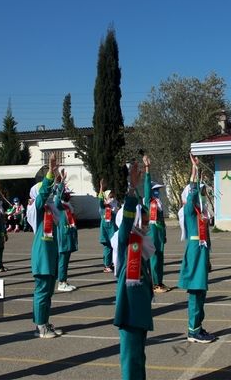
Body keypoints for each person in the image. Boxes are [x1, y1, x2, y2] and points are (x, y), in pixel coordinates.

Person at [113, 160, 155, 380]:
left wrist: (145, 180)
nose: (147, 224)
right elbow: (128, 219)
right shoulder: (125, 243)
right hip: (129, 312)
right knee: (130, 360)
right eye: (144, 221)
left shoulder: (143, 247)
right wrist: (132, 189)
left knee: (139, 357)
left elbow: (144, 203)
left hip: (141, 311)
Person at [177, 154, 216, 343]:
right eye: (198, 193)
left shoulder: (200, 213)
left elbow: (206, 238)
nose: (201, 195)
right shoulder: (188, 211)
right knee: (195, 292)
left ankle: (197, 326)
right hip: (194, 254)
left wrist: (208, 259)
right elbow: (193, 193)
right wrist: (195, 171)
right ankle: (193, 331)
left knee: (201, 292)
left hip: (201, 254)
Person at [27, 153, 63, 338]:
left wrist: (58, 181)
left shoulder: (51, 211)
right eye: (45, 191)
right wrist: (49, 172)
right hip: (42, 258)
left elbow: (56, 196)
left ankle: (43, 323)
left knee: (47, 293)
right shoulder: (36, 210)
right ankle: (40, 326)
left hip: (50, 256)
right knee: (42, 292)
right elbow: (42, 196)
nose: (48, 194)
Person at [142, 154, 170, 293]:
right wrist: (147, 168)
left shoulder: (159, 205)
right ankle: (154, 283)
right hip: (151, 233)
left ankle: (159, 281)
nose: (158, 192)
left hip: (159, 233)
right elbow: (146, 186)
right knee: (153, 259)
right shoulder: (148, 202)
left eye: (159, 190)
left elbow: (162, 221)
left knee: (160, 258)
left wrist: (164, 234)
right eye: (156, 190)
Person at [54, 171, 78, 292]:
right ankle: (61, 282)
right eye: (67, 194)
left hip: (68, 237)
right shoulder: (59, 206)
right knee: (62, 261)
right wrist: (61, 182)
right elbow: (57, 197)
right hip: (63, 238)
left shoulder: (68, 206)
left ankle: (63, 280)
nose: (70, 196)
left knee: (64, 261)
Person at [98, 180, 118, 273]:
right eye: (110, 197)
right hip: (106, 233)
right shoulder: (103, 208)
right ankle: (107, 265)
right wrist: (101, 188)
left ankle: (111, 263)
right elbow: (100, 200)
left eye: (113, 196)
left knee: (114, 248)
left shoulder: (113, 207)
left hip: (113, 231)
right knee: (107, 248)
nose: (112, 198)